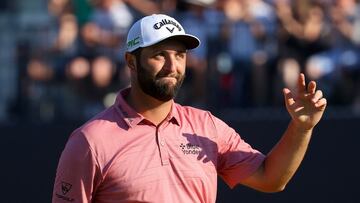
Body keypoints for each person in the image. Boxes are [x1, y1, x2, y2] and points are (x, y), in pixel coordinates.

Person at [52, 14, 327, 203]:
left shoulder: (207, 126)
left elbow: (271, 178)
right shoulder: (90, 140)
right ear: (131, 62)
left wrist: (301, 128)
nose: (173, 67)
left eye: (180, 55)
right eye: (160, 55)